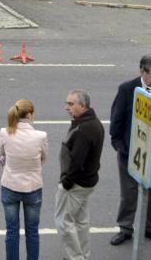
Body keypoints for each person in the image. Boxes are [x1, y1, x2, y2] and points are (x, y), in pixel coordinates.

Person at [108, 54, 151, 246]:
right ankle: (125, 228)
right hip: (131, 153)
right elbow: (117, 121)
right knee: (129, 193)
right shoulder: (127, 89)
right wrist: (120, 147)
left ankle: (148, 227)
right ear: (142, 71)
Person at [55, 89, 104, 260]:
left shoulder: (83, 129)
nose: (66, 107)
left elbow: (77, 162)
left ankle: (75, 257)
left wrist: (67, 182)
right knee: (81, 222)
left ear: (83, 105)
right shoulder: (92, 121)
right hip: (87, 182)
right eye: (66, 103)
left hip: (76, 185)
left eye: (71, 104)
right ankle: (83, 255)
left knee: (63, 222)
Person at [0, 99, 47, 260]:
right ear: (31, 114)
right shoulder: (40, 136)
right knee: (32, 231)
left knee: (11, 230)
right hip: (33, 188)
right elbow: (43, 159)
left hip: (10, 186)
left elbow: (1, 158)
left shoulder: (5, 132)